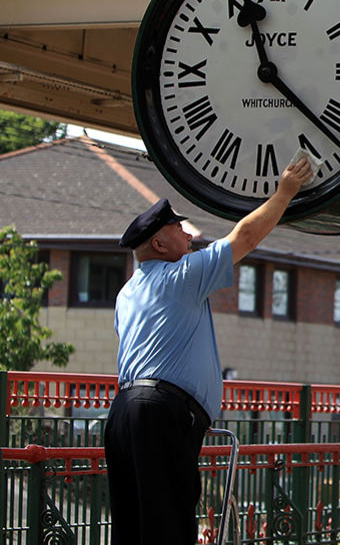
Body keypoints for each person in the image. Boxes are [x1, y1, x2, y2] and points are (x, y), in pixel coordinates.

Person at [104, 158, 312, 545]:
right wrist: (284, 193)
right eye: (178, 229)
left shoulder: (127, 293)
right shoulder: (181, 275)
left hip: (123, 413)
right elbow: (244, 238)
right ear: (159, 243)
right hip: (162, 414)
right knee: (169, 525)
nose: (189, 235)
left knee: (133, 527)